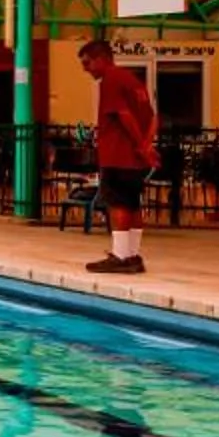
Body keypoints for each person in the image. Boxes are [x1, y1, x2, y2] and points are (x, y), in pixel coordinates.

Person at [79, 37, 157, 275]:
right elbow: (153, 117)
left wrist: (141, 146)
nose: (85, 69)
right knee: (133, 204)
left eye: (87, 63)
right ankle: (133, 255)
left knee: (118, 203)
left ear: (101, 59)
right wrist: (146, 145)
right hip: (134, 157)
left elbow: (123, 115)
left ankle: (121, 257)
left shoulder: (111, 80)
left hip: (118, 154)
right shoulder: (133, 81)